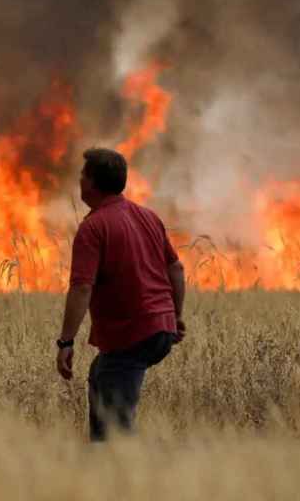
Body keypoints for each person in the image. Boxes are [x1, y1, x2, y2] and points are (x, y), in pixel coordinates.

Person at [56, 148, 186, 441]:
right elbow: (176, 268)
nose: (79, 181)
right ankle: (101, 456)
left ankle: (123, 471)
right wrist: (175, 316)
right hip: (160, 328)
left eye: (82, 175)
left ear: (92, 183)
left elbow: (81, 288)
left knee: (117, 427)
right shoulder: (148, 216)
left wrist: (66, 341)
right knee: (102, 372)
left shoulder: (93, 227)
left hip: (133, 332)